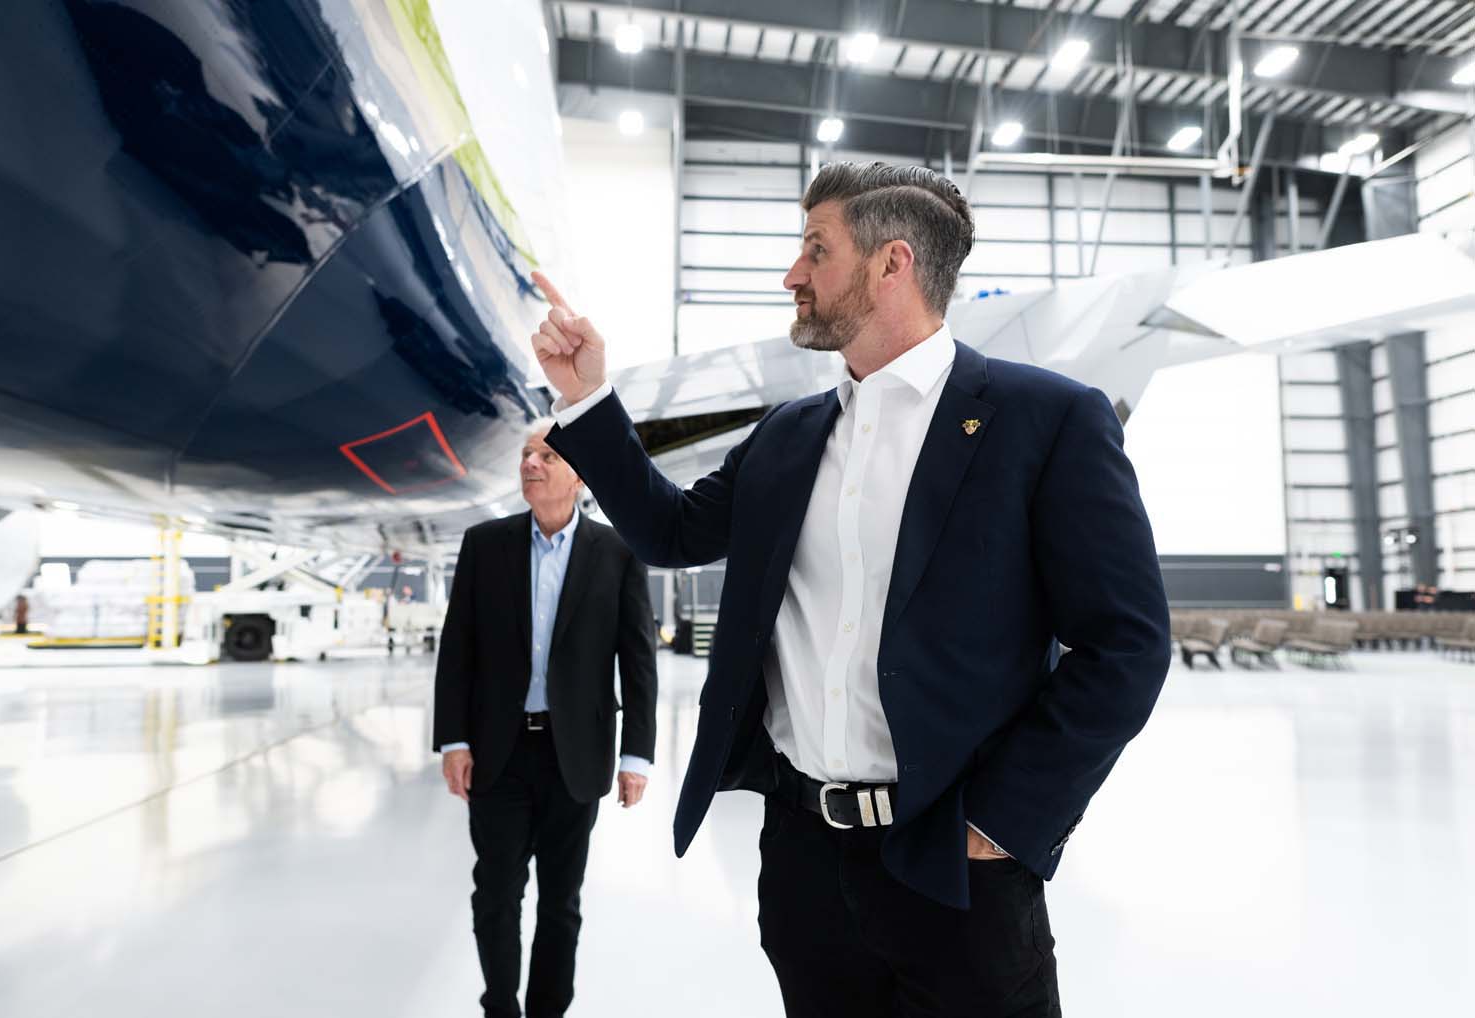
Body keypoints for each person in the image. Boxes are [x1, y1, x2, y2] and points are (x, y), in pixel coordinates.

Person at [528, 162, 1171, 1017]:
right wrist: (588, 399)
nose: (793, 275)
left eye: (815, 250)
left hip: (955, 864)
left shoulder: (1044, 419)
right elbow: (671, 533)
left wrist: (1004, 825)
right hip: (804, 865)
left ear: (890, 264)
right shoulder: (791, 435)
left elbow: (1124, 644)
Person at [432, 422, 659, 1018]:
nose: (531, 463)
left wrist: (636, 755)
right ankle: (500, 1008)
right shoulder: (485, 545)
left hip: (575, 756)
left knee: (562, 902)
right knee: (495, 896)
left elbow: (638, 661)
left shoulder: (616, 552)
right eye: (527, 454)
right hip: (498, 754)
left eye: (548, 455)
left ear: (578, 475)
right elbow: (459, 649)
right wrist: (453, 740)